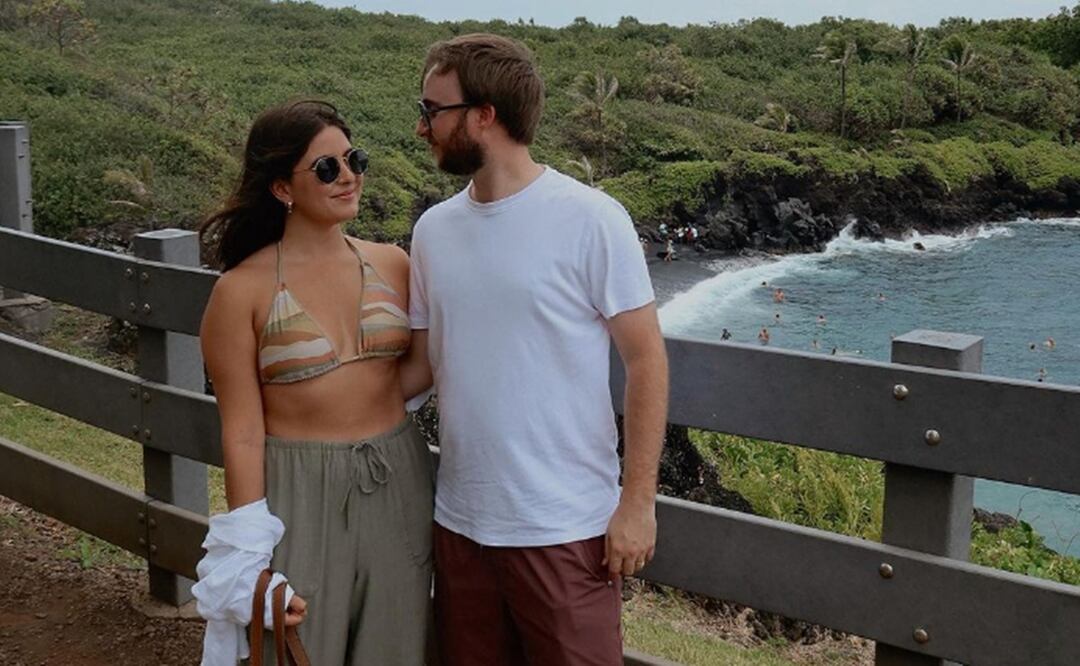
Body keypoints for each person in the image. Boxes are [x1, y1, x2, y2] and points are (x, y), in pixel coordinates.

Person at [411, 33, 669, 666]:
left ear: (483, 115)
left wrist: (636, 504)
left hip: (566, 530)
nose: (422, 128)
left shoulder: (591, 218)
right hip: (461, 525)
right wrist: (316, 408)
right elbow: (421, 366)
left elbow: (646, 361)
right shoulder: (432, 231)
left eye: (431, 110)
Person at [192, 100, 434, 666]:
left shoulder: (392, 262)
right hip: (297, 487)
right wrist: (250, 559)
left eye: (354, 160)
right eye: (327, 168)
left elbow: (416, 374)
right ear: (282, 188)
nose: (348, 176)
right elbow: (244, 432)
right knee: (298, 644)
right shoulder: (240, 292)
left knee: (396, 643)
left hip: (397, 473)